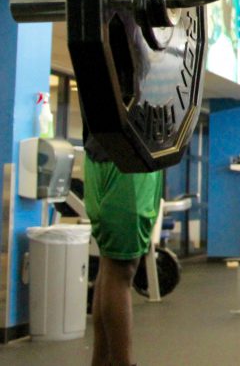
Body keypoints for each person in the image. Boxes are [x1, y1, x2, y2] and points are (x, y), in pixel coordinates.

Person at [83, 125, 163, 366]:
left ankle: (102, 361)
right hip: (130, 155)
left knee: (110, 265)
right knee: (121, 267)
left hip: (105, 151)